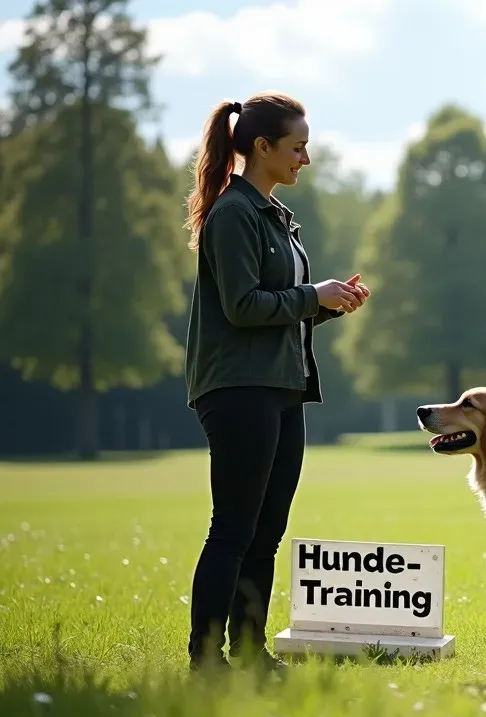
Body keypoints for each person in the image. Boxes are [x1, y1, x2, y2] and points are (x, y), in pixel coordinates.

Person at [181, 91, 370, 674]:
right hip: (238, 389)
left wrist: (329, 303)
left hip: (282, 388)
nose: (305, 159)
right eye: (297, 148)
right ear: (261, 147)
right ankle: (206, 659)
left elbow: (279, 306)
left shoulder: (275, 215)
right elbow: (242, 307)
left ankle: (250, 650)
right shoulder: (233, 213)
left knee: (267, 530)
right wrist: (313, 295)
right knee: (234, 528)